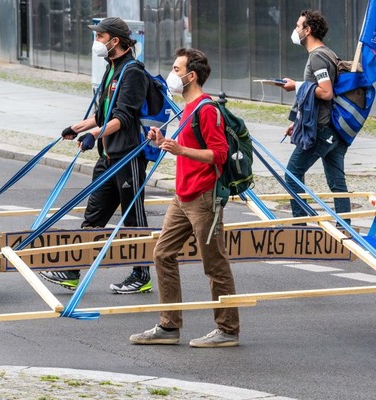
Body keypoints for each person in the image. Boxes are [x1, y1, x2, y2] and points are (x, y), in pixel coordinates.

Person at [129, 48, 240, 348]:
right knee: (162, 254)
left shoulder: (206, 109)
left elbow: (219, 154)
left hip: (204, 198)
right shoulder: (187, 108)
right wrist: (164, 141)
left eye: (176, 69)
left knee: (214, 264)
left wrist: (179, 150)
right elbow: (188, 145)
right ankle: (169, 326)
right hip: (182, 195)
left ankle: (228, 330)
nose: (172, 74)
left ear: (191, 76)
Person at [39, 17, 153, 295]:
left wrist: (96, 135)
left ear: (115, 41)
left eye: (100, 37)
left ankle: (142, 274)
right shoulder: (111, 68)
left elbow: (124, 118)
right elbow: (104, 115)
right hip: (108, 158)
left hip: (127, 158)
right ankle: (72, 270)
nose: (96, 42)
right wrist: (77, 128)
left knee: (133, 220)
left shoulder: (133, 72)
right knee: (93, 217)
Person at [278, 9, 350, 223]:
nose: (295, 30)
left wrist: (296, 85)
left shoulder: (318, 57)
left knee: (291, 176)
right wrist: (297, 122)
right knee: (337, 184)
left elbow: (325, 92)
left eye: (298, 26)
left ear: (307, 30)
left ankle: (303, 226)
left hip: (321, 129)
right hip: (333, 129)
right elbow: (314, 94)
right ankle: (346, 228)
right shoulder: (327, 53)